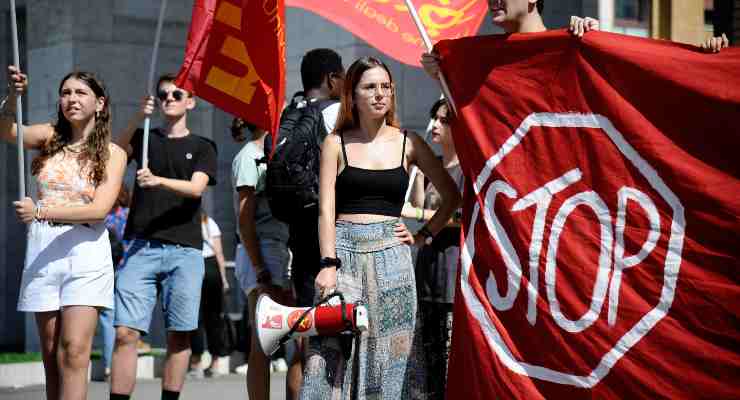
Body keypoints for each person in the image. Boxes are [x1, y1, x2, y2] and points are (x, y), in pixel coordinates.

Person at [299, 56, 461, 399]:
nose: (379, 94)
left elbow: (451, 196)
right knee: (328, 358)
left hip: (394, 261)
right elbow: (326, 210)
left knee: (391, 359)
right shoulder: (335, 142)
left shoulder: (409, 143)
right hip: (342, 257)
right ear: (352, 94)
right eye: (370, 87)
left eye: (385, 86)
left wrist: (424, 235)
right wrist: (327, 264)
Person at [2, 65, 126, 400]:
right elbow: (7, 130)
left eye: (80, 92)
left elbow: (99, 210)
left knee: (74, 351)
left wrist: (40, 211)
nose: (71, 98)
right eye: (66, 92)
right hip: (43, 253)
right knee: (51, 353)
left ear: (99, 103)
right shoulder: (48, 137)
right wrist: (13, 96)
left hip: (85, 253)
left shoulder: (113, 154)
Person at [110, 73, 217, 400]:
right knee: (126, 333)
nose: (169, 98)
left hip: (184, 251)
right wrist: (136, 117)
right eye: (163, 94)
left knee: (180, 335)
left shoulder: (203, 146)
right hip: (141, 246)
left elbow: (197, 187)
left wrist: (158, 181)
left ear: (190, 101)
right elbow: (114, 152)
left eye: (176, 94)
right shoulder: (144, 138)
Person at [401, 99, 463, 399]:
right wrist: (415, 171)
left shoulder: (466, 170)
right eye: (433, 118)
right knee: (427, 370)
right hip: (425, 279)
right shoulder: (435, 168)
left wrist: (423, 223)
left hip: (451, 281)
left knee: (451, 367)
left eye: (443, 120)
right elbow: (415, 204)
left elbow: (460, 216)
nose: (435, 125)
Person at [231, 117, 297, 399]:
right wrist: (259, 267)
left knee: (297, 336)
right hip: (261, 250)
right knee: (263, 342)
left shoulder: (283, 149)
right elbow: (244, 220)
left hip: (284, 247)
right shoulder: (249, 156)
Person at [189, 210, 230, 378]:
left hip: (194, 266)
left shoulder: (186, 224)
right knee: (214, 317)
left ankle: (196, 363)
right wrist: (224, 278)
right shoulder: (209, 222)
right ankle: (215, 363)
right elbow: (219, 252)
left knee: (194, 318)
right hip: (212, 267)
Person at [99, 185, 132, 381]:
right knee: (126, 317)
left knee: (107, 317)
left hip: (105, 270)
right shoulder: (128, 216)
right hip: (127, 269)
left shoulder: (101, 217)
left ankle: (109, 366)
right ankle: (121, 363)